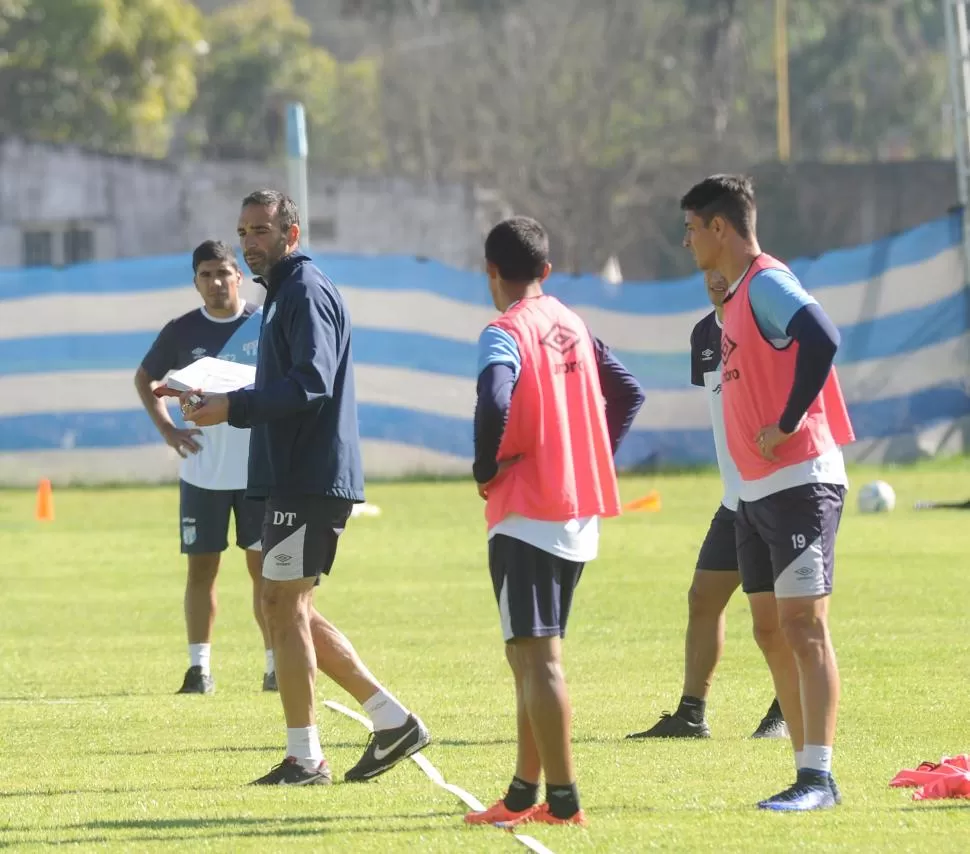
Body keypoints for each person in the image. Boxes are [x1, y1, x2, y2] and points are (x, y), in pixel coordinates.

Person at [181, 189, 430, 786]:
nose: (249, 242)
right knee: (284, 603)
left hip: (310, 476)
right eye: (244, 231)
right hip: (289, 475)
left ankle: (306, 756)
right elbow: (285, 379)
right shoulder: (282, 294)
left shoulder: (305, 290)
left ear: (291, 235)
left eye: (261, 231)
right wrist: (210, 396)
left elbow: (311, 383)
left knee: (282, 605)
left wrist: (232, 408)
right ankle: (388, 720)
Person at [680, 174, 855, 811]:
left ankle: (819, 779)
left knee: (804, 628)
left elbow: (823, 337)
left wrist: (787, 422)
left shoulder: (769, 282)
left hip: (801, 480)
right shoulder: (734, 296)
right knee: (769, 629)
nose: (687, 240)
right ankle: (804, 773)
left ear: (720, 228)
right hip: (754, 492)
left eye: (693, 228)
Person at [464, 216, 645, 828]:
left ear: (490, 271)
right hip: (574, 511)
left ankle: (563, 802)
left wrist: (485, 463)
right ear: (546, 270)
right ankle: (522, 793)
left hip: (527, 512)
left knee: (538, 661)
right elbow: (628, 391)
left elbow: (494, 397)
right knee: (528, 657)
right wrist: (585, 453)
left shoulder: (504, 330)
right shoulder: (572, 323)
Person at [626, 269, 786, 741]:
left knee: (777, 618)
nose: (716, 278)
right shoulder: (703, 334)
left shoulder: (767, 324)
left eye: (727, 270)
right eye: (706, 269)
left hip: (777, 495)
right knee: (703, 598)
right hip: (734, 499)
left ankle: (786, 708)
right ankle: (691, 715)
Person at [134, 239, 273, 695]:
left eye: (223, 273)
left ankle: (275, 664)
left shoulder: (264, 323)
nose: (216, 283)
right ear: (196, 282)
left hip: (258, 470)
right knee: (201, 572)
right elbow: (146, 377)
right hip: (202, 472)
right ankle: (199, 670)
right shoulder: (181, 331)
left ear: (239, 275)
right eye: (206, 275)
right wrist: (169, 430)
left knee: (266, 572)